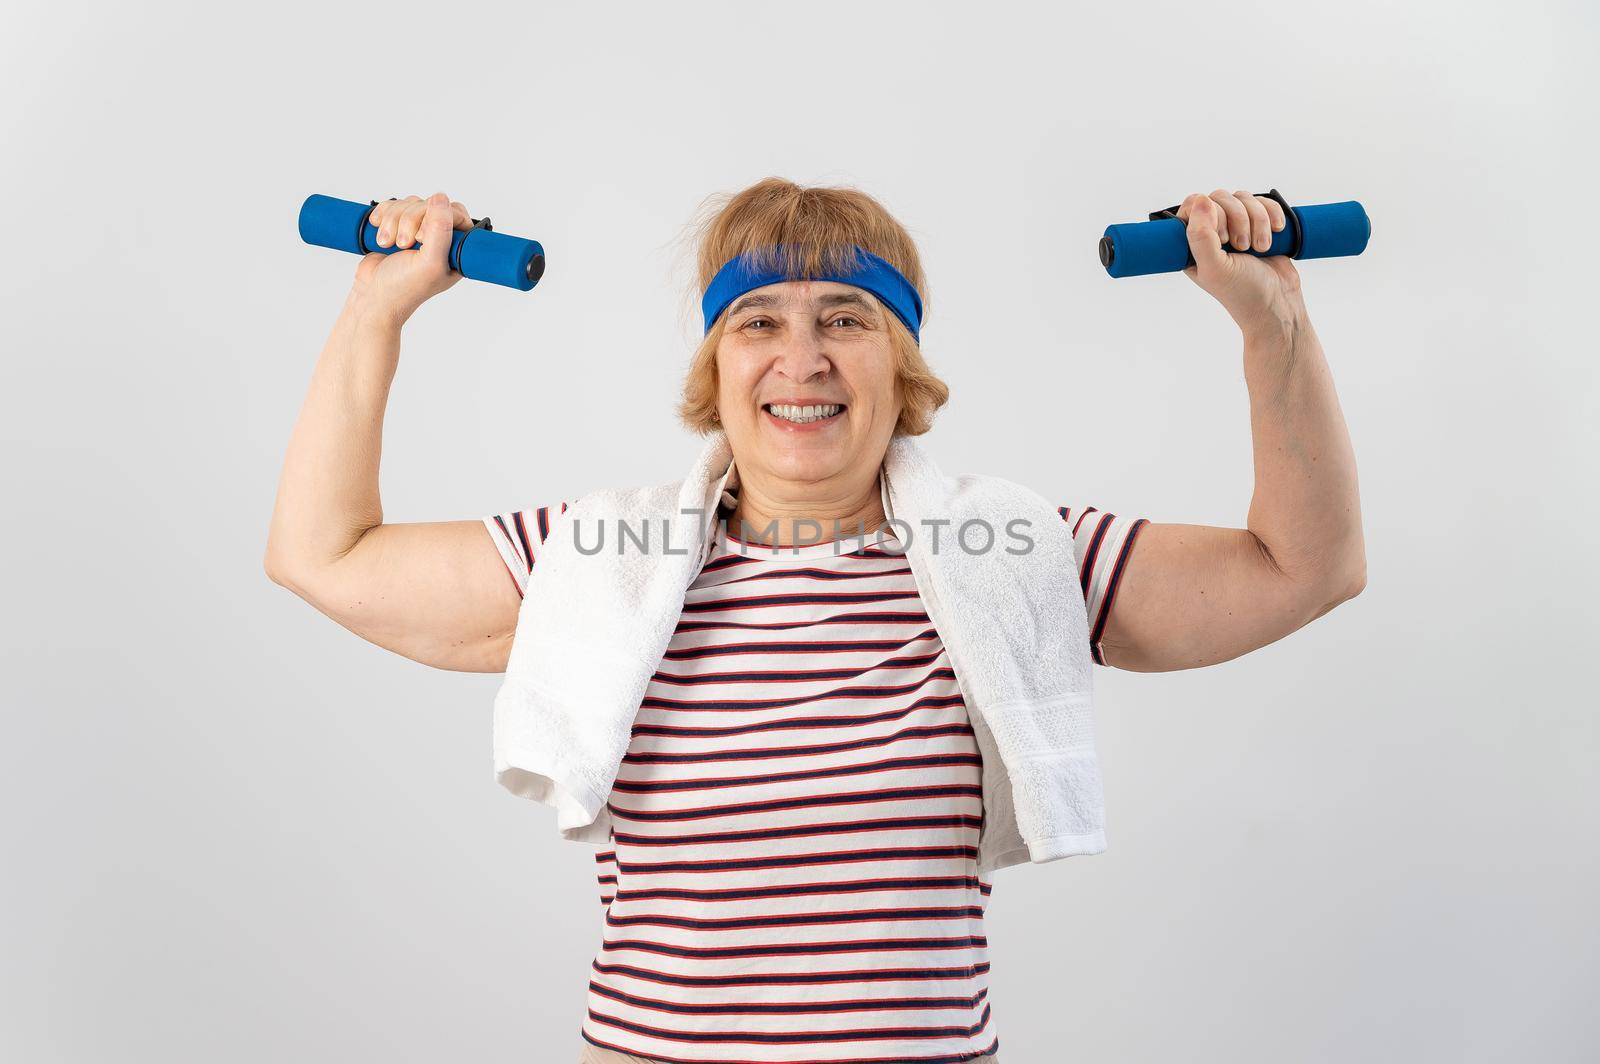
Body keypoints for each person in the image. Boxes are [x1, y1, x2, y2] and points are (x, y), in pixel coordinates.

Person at [264, 177, 1365, 1063]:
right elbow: (322, 554)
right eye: (758, 321)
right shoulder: (595, 562)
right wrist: (377, 306)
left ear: (903, 366)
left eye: (847, 316)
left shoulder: (1015, 555)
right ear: (716, 366)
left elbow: (1300, 568)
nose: (803, 356)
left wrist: (1271, 323)